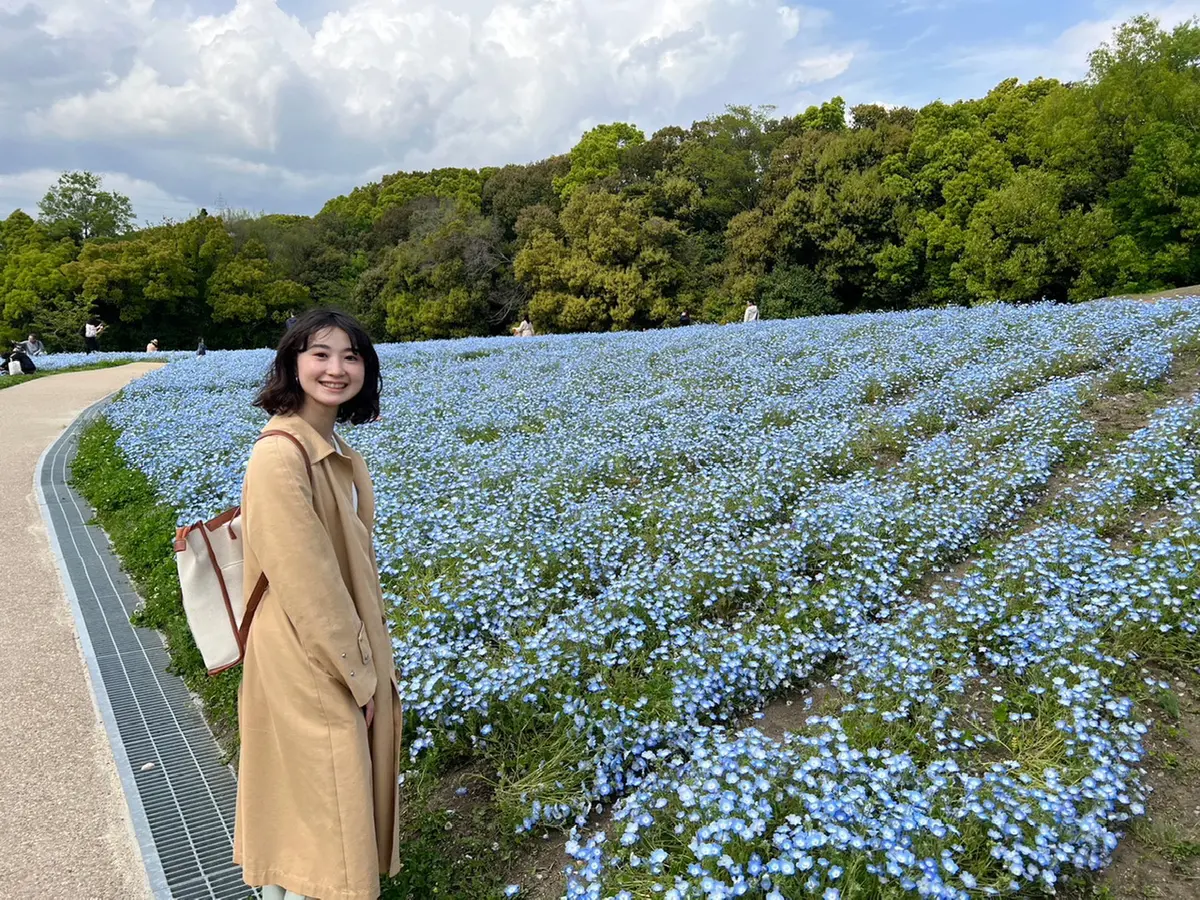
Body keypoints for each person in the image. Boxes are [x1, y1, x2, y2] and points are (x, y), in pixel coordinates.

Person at [235, 309, 401, 900]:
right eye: (320, 354)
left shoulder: (331, 446)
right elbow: (308, 584)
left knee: (308, 808)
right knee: (328, 813)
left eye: (351, 356)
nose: (337, 368)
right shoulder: (280, 455)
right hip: (310, 656)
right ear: (292, 364)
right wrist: (361, 678)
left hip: (327, 648)